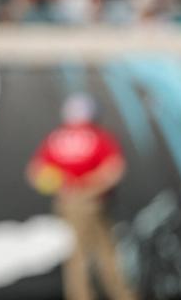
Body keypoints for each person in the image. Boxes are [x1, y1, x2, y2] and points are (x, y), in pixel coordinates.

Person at [26, 93, 136, 300]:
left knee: (82, 256)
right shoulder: (97, 136)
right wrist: (89, 186)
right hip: (93, 202)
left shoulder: (56, 138)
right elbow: (115, 169)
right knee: (102, 255)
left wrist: (63, 186)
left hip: (70, 203)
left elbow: (35, 172)